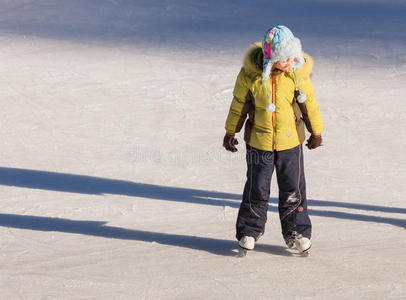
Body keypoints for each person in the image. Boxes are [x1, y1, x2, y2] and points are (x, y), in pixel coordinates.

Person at [222, 25, 323, 253]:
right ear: (271, 56)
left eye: (291, 56)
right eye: (283, 57)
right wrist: (230, 132)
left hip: (290, 143)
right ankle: (249, 230)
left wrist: (316, 132)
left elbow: (309, 104)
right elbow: (239, 104)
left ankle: (296, 232)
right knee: (257, 188)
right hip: (259, 142)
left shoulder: (296, 75)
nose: (289, 61)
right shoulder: (251, 76)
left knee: (293, 189)